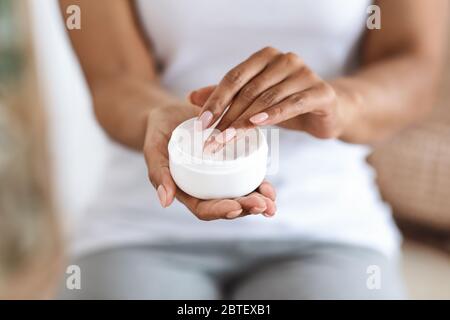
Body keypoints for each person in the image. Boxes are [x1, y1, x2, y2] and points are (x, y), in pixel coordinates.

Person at [59, 0, 447, 299]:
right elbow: (113, 79)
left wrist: (340, 104)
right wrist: (155, 120)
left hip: (326, 223)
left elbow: (416, 63)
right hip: (142, 224)